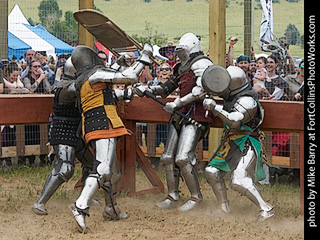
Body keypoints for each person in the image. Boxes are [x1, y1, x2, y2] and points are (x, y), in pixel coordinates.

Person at [69, 44, 153, 232]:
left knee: (113, 173)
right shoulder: (94, 75)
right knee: (103, 168)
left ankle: (111, 209)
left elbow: (108, 87)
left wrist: (118, 63)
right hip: (102, 124)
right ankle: (80, 206)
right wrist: (144, 57)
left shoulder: (88, 78)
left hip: (101, 123)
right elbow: (129, 77)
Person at [135, 32, 214, 211]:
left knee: (183, 158)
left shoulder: (203, 64)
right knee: (168, 157)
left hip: (196, 115)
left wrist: (177, 102)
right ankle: (173, 196)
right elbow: (166, 88)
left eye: (182, 51)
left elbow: (200, 91)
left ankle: (196, 198)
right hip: (181, 114)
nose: (180, 55)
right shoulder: (180, 67)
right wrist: (148, 89)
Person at [202, 66, 274, 221]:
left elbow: (235, 121)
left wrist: (215, 107)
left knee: (239, 178)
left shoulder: (247, 100)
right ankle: (224, 207)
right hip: (231, 142)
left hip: (247, 142)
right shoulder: (231, 99)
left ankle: (266, 209)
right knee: (211, 171)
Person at [32, 58, 94, 215]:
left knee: (92, 165)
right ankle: (40, 203)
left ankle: (86, 196)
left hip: (76, 132)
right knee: (65, 168)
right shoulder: (67, 87)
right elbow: (80, 89)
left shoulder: (67, 84)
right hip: (63, 131)